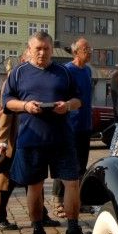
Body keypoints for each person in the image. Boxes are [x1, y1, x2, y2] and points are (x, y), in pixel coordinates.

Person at [3, 31, 82, 234]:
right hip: (31, 139)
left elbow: (78, 100)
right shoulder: (18, 73)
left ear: (51, 50)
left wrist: (66, 106)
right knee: (35, 187)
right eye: (37, 48)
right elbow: (7, 102)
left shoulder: (63, 73)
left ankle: (73, 228)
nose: (42, 52)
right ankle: (37, 229)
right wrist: (26, 106)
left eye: (46, 49)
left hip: (62, 138)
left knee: (72, 183)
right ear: (29, 50)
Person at [0, 57, 62, 231]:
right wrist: (2, 140)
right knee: (5, 177)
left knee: (36, 176)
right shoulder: (13, 79)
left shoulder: (34, 78)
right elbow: (5, 113)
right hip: (15, 136)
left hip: (31, 134)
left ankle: (40, 214)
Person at [52, 38, 93, 217]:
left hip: (85, 125)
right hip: (70, 125)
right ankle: (59, 201)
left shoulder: (88, 71)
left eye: (90, 48)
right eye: (86, 48)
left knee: (81, 165)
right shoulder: (67, 70)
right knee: (65, 163)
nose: (90, 51)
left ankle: (78, 199)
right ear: (76, 52)